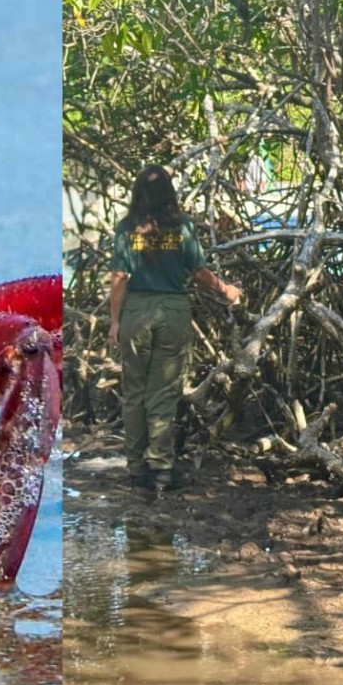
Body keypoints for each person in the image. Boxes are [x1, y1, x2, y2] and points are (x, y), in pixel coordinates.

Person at [108, 165, 242, 491]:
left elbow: (119, 278)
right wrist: (225, 289)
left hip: (136, 312)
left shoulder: (127, 228)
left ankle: (137, 469)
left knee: (134, 394)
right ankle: (162, 469)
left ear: (138, 193)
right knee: (163, 393)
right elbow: (198, 271)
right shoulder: (182, 227)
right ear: (170, 193)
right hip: (172, 311)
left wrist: (114, 321)